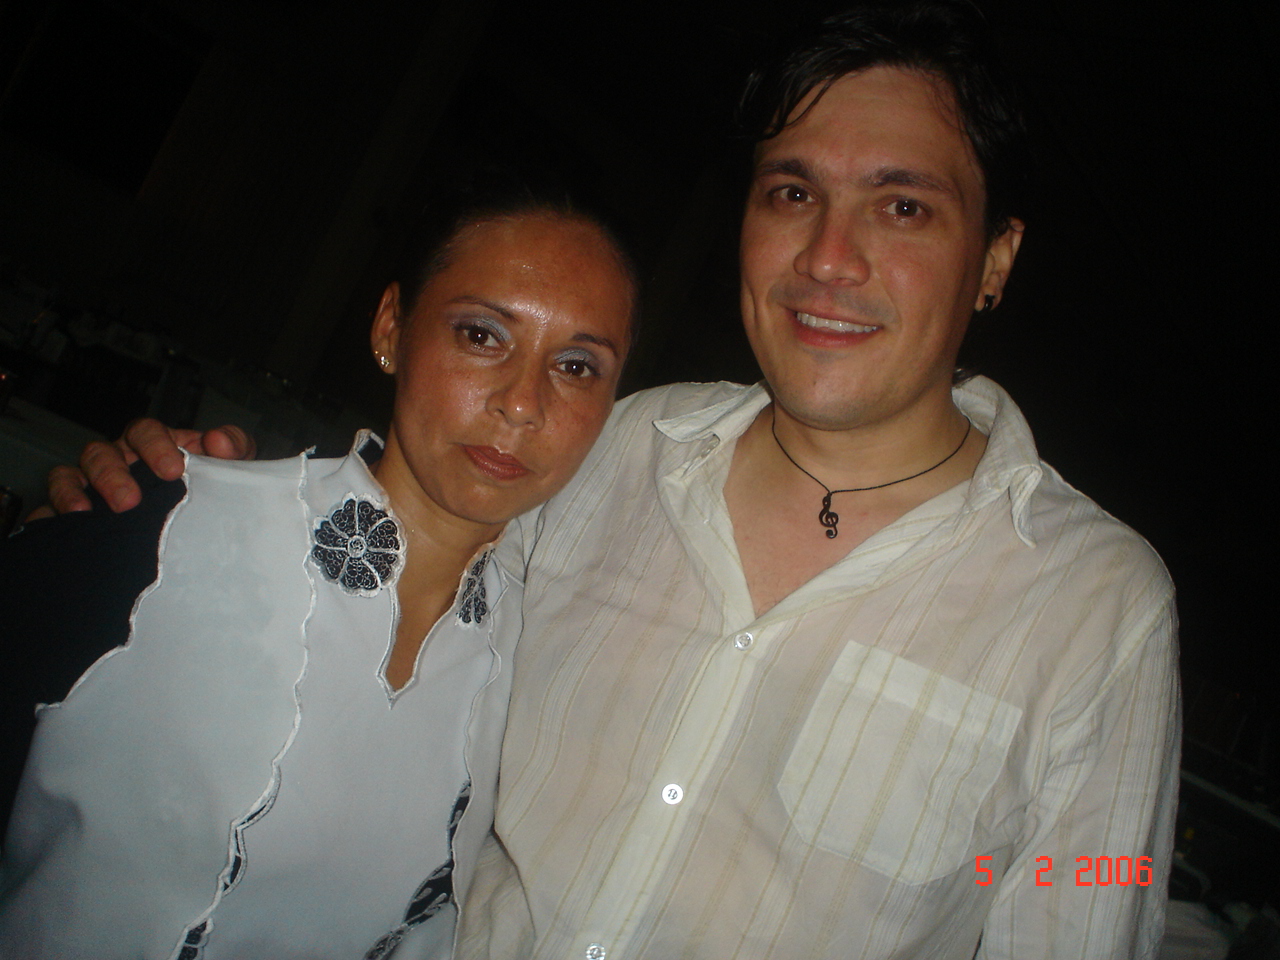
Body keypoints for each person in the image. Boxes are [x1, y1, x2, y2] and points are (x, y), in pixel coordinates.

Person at [43, 2, 1180, 957]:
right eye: (791, 193)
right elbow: (390, 587)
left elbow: (1079, 915)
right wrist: (163, 519)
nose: (828, 258)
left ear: (994, 259)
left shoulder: (1094, 607)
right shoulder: (618, 447)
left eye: (903, 207)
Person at [0, 191, 637, 959]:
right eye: (481, 334)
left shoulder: (545, 671)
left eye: (576, 366)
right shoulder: (170, 531)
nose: (523, 403)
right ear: (391, 329)